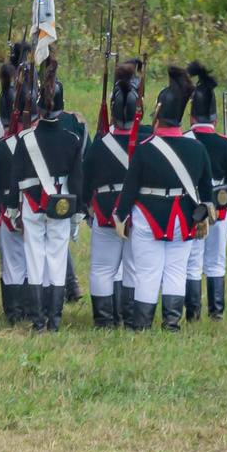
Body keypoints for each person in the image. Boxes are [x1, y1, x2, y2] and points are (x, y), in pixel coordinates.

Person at [117, 66, 214, 331]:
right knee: (176, 271)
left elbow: (131, 186)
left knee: (147, 272)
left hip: (148, 215)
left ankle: (141, 325)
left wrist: (120, 215)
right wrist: (204, 215)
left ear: (158, 114)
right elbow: (206, 190)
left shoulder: (145, 149)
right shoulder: (197, 148)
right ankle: (172, 324)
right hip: (183, 217)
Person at [4, 54, 86, 332]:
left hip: (32, 205)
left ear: (38, 108)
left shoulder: (25, 140)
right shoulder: (72, 139)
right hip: (62, 205)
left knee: (35, 258)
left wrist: (13, 211)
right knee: (57, 257)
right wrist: (76, 215)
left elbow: (16, 179)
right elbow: (77, 180)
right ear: (62, 110)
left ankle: (38, 321)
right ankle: (55, 321)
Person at [81, 59, 145, 330]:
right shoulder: (148, 139)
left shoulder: (100, 143)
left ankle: (105, 322)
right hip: (139, 212)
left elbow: (86, 181)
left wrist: (88, 206)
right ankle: (130, 320)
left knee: (101, 270)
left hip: (106, 210)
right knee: (132, 270)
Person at [0, 44, 38, 327]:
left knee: (12, 264)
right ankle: (30, 310)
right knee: (32, 260)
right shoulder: (36, 144)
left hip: (5, 210)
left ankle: (14, 313)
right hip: (32, 207)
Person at [186, 62, 227, 320]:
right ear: (215, 119)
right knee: (216, 262)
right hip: (219, 211)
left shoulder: (185, 140)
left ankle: (193, 312)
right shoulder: (225, 144)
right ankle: (216, 313)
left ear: (191, 117)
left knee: (192, 263)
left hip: (191, 210)